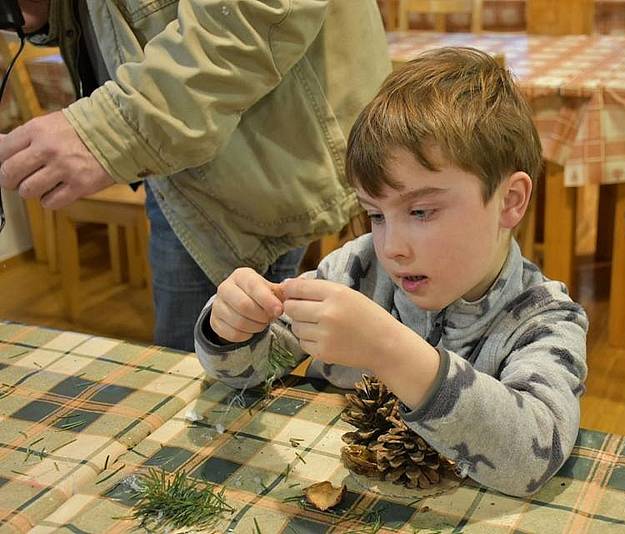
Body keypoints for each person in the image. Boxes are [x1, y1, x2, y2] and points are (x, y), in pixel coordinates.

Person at [194, 47, 588, 497]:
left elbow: (531, 457)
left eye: (420, 211)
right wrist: (231, 328)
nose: (392, 248)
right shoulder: (355, 269)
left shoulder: (546, 320)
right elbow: (251, 371)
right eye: (375, 215)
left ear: (510, 201)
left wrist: (389, 350)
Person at [0, 1, 390, 351]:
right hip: (177, 153)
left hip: (251, 147)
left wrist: (115, 129)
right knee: (222, 361)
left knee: (231, 365)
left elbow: (262, 9)